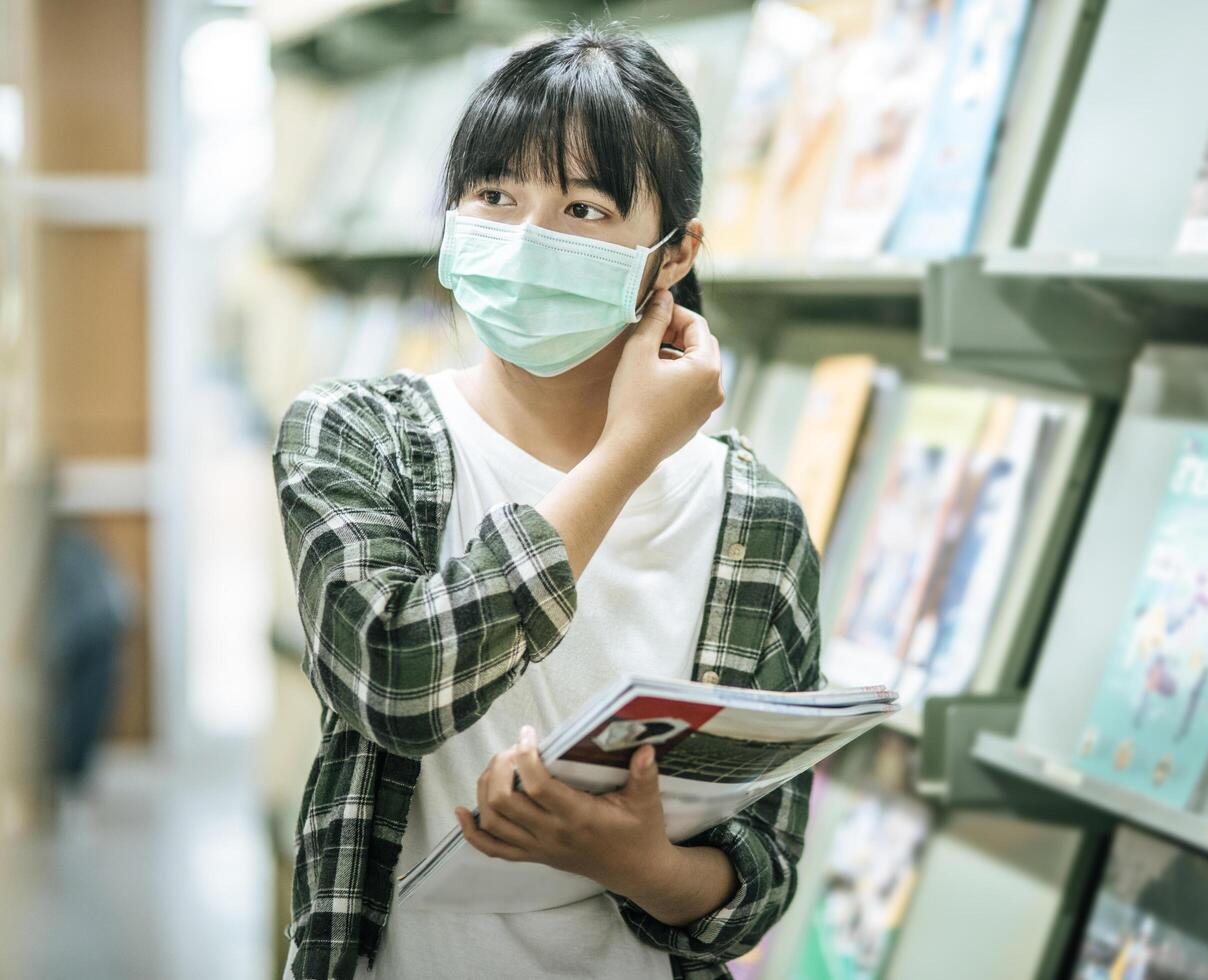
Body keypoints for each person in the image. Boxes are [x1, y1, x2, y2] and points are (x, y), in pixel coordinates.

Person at [273, 24, 821, 980]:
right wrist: (628, 452)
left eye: (583, 207)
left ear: (673, 252)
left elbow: (760, 882)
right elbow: (396, 683)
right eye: (494, 195)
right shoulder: (353, 435)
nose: (526, 239)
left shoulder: (754, 521)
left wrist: (641, 866)